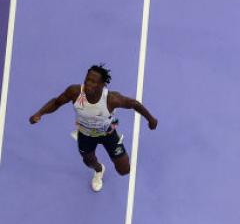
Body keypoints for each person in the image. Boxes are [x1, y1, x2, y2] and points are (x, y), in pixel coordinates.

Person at [28, 64, 158, 192]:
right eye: (87, 80)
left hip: (108, 133)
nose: (88, 84)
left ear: (102, 85)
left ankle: (117, 146)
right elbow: (56, 102)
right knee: (88, 162)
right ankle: (99, 170)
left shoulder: (111, 99)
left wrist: (151, 119)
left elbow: (134, 104)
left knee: (124, 170)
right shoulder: (75, 92)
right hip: (85, 134)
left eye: (93, 82)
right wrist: (39, 113)